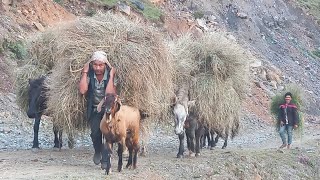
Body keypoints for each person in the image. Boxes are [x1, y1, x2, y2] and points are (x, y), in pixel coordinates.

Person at [79, 51, 116, 169]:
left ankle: (105, 160)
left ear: (105, 65)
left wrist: (111, 76)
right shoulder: (90, 74)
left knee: (108, 134)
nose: (98, 68)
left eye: (101, 65)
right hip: (95, 109)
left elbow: (110, 93)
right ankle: (97, 151)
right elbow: (82, 91)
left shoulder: (111, 75)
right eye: (95, 65)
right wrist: (84, 72)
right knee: (95, 133)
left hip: (108, 110)